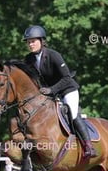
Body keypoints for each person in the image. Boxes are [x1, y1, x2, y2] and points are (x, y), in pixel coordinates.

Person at [23, 25, 97, 158]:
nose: (30, 44)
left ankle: (89, 146)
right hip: (49, 94)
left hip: (67, 90)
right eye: (28, 42)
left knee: (72, 114)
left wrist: (51, 90)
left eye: (33, 41)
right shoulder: (28, 59)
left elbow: (67, 78)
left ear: (42, 41)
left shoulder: (53, 55)